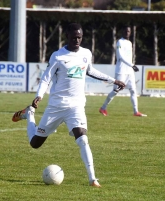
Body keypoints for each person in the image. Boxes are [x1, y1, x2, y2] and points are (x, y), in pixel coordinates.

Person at [11, 23, 125, 188]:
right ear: (67, 37)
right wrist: (39, 96)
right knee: (35, 144)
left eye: (79, 37)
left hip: (76, 107)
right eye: (73, 37)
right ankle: (29, 115)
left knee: (83, 140)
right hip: (56, 106)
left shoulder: (86, 53)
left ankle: (93, 179)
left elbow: (91, 71)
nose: (76, 40)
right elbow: (46, 78)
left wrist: (114, 80)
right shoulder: (57, 56)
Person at [99, 26, 146, 117]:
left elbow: (128, 57)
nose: (127, 32)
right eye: (125, 31)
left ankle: (136, 111)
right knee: (116, 91)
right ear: (123, 32)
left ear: (130, 32)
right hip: (121, 70)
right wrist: (132, 65)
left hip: (129, 71)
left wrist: (131, 67)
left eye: (128, 31)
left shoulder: (129, 43)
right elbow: (120, 57)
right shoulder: (119, 42)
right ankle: (103, 108)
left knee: (133, 90)